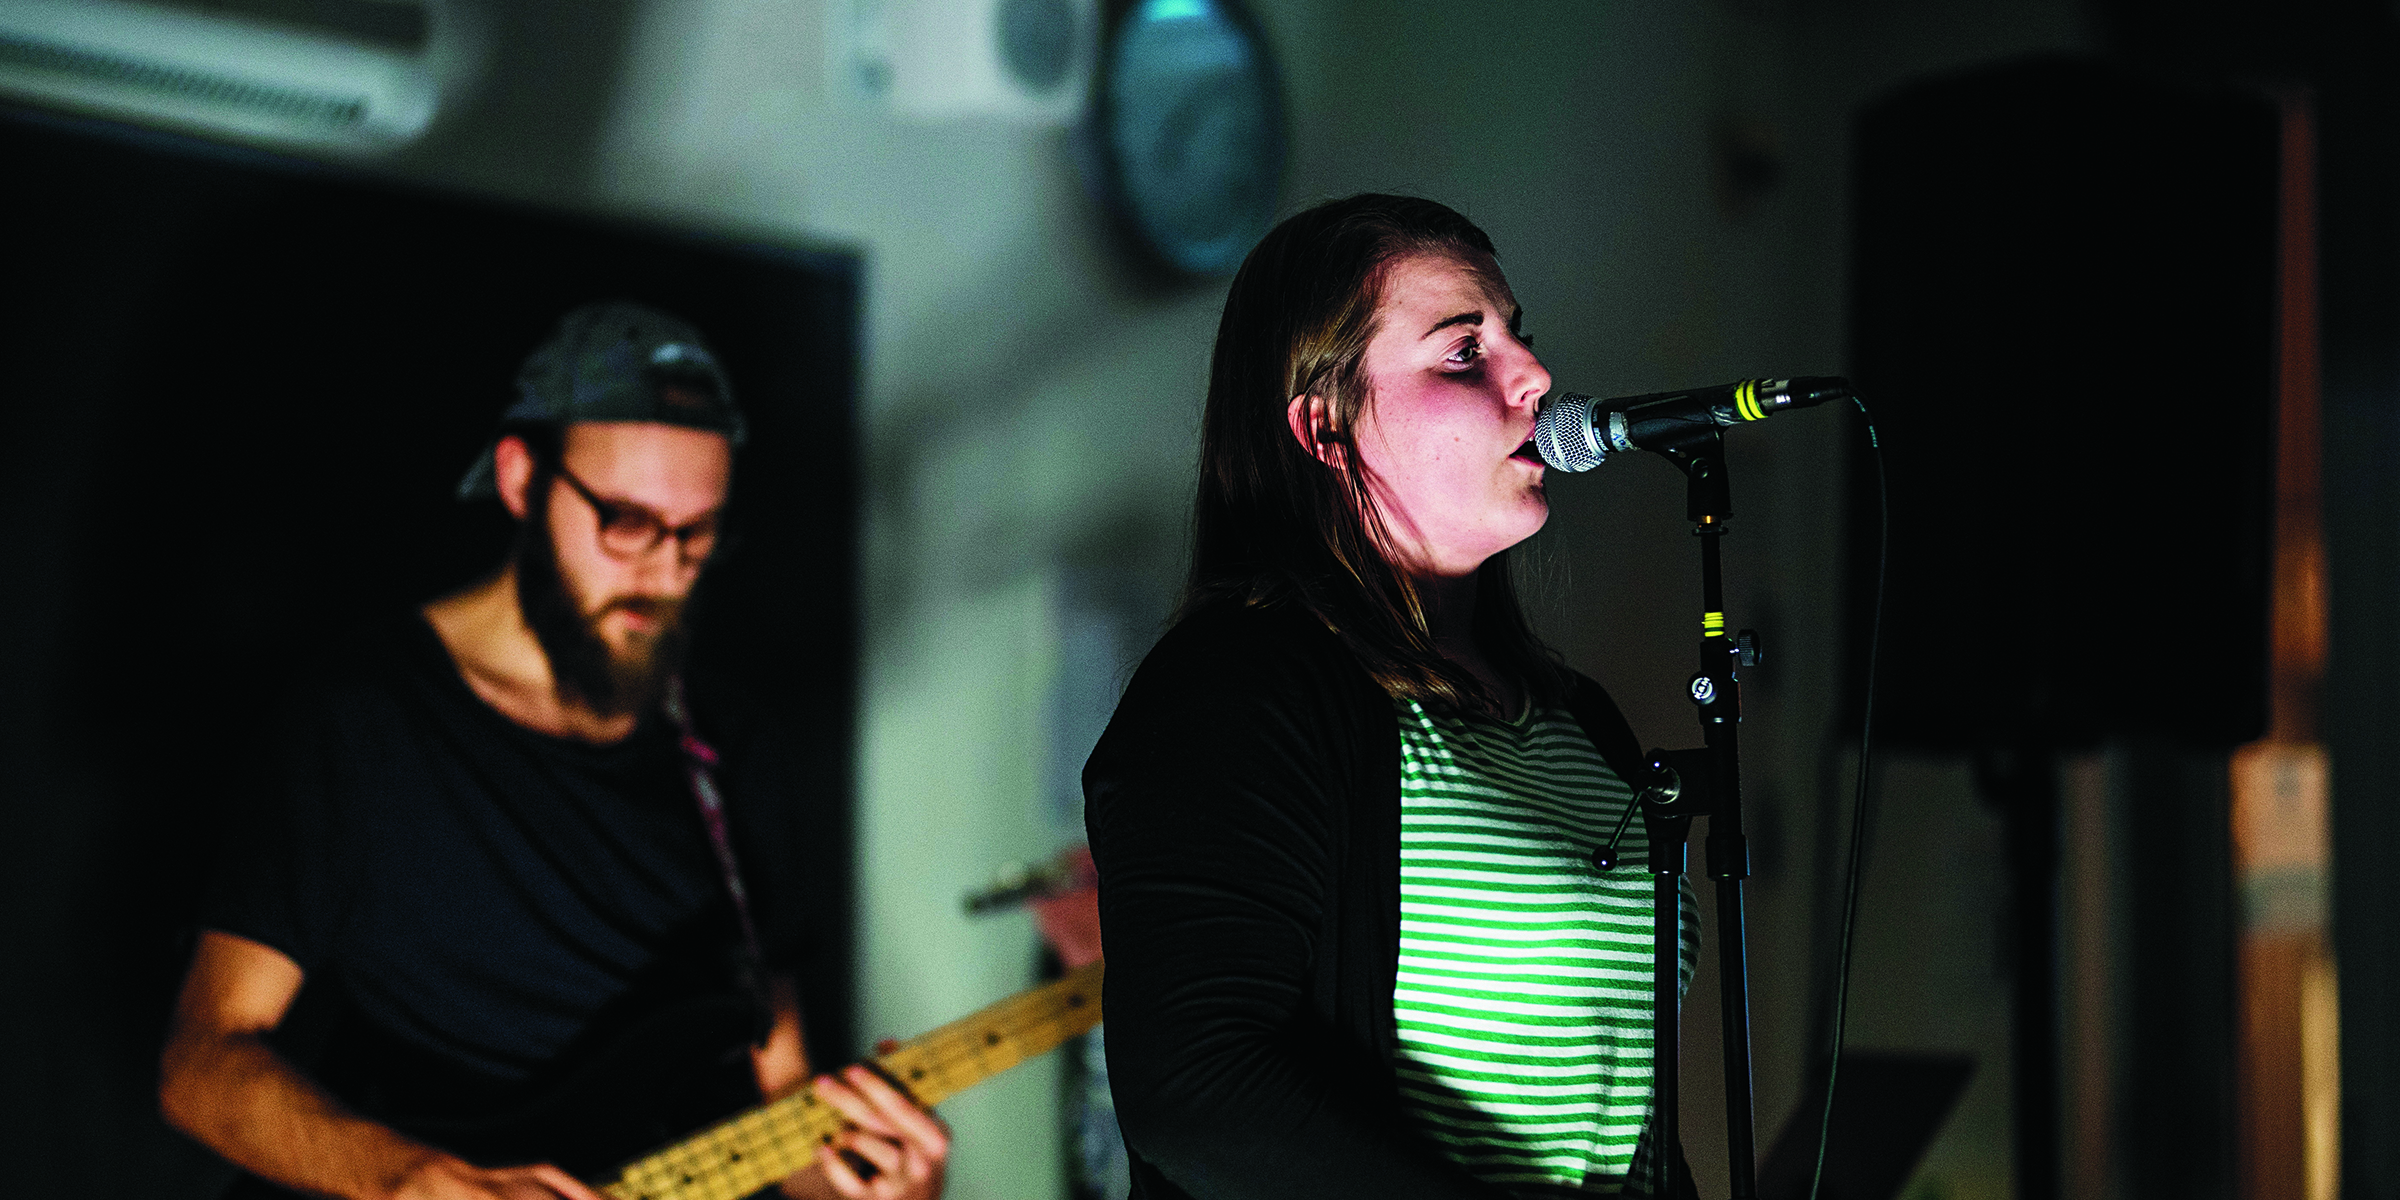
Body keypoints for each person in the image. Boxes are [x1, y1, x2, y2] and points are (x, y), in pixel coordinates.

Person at [159, 303, 949, 1200]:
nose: (663, 567)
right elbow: (201, 1062)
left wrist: (880, 1182)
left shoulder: (731, 752)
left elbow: (779, 1092)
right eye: (626, 520)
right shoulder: (362, 721)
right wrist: (411, 1182)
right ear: (521, 479)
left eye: (699, 533)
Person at [1083, 196, 1700, 1200]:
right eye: (1465, 352)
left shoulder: (1580, 720)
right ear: (1323, 426)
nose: (1534, 376)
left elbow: (1622, 1106)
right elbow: (1197, 1087)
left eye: (1519, 338)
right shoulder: (1234, 690)